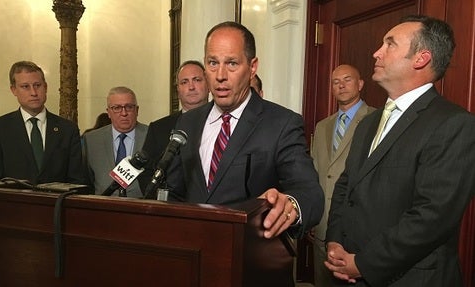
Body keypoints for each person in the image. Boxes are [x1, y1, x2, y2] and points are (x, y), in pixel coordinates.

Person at [325, 15, 475, 287]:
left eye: (389, 44)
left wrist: (363, 264)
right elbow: (347, 186)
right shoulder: (369, 122)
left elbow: (432, 216)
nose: (376, 52)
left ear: (420, 59)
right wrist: (334, 240)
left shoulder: (455, 125)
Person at [165, 21, 324, 242]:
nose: (220, 75)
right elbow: (174, 192)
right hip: (192, 254)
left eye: (231, 63)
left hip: (252, 259)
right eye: (212, 63)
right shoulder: (187, 122)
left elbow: (310, 193)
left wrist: (291, 206)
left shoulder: (282, 123)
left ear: (252, 67)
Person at [310, 64, 375, 287]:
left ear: (360, 84)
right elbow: (316, 173)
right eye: (335, 81)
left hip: (358, 231)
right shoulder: (322, 127)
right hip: (323, 227)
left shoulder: (376, 121)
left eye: (347, 79)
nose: (341, 85)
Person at [0, 60, 85, 185]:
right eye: (25, 86)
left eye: (37, 85)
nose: (33, 93)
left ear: (45, 87)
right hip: (14, 203)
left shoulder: (67, 129)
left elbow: (77, 180)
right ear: (13, 90)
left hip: (57, 203)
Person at [139, 60, 209, 192]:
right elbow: (146, 174)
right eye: (184, 82)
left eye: (197, 80)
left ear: (209, 84)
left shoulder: (225, 123)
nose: (191, 87)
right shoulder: (158, 128)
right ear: (178, 89)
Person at [83, 86, 148, 198]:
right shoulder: (92, 140)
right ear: (108, 112)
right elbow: (87, 180)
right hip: (103, 208)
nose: (124, 113)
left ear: (137, 110)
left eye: (129, 107)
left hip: (142, 208)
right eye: (117, 108)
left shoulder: (151, 135)